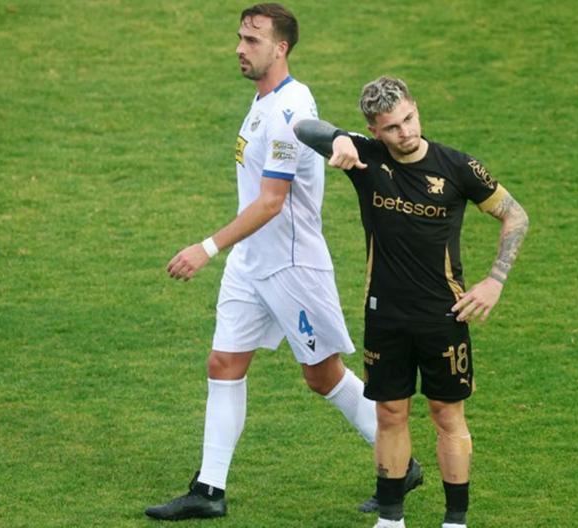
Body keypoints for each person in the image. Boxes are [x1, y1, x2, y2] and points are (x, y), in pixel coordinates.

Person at [145, 6, 421, 521]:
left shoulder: (288, 108)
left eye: (252, 40)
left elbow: (273, 201)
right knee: (224, 364)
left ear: (281, 48)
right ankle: (209, 489)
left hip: (292, 265)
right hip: (252, 262)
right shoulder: (262, 102)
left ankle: (400, 465)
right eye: (239, 37)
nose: (239, 48)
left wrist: (206, 248)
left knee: (322, 375)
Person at [294, 76, 529, 528]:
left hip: (443, 316)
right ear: (375, 130)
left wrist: (495, 281)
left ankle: (455, 522)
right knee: (390, 414)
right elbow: (303, 128)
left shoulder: (458, 167)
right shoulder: (366, 157)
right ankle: (391, 521)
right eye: (392, 127)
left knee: (447, 415)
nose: (406, 132)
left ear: (416, 108)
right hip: (385, 316)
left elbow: (515, 215)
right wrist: (340, 138)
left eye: (409, 118)